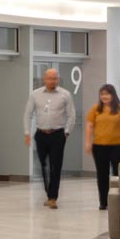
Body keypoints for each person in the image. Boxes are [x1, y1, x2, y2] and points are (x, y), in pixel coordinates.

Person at [24, 68, 73, 209]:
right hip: (41, 134)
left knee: (55, 166)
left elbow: (71, 115)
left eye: (55, 78)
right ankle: (49, 192)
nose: (52, 81)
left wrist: (67, 132)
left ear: (58, 79)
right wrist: (27, 132)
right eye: (49, 78)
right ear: (44, 79)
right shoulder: (35, 95)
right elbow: (28, 114)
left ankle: (53, 197)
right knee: (44, 165)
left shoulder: (65, 95)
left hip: (58, 134)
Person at [83, 84, 120, 210]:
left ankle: (118, 201)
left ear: (113, 95)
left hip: (118, 146)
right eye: (102, 94)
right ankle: (103, 202)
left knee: (118, 174)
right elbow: (89, 126)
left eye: (107, 94)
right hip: (99, 146)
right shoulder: (95, 109)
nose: (104, 96)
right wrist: (88, 143)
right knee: (102, 174)